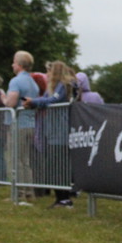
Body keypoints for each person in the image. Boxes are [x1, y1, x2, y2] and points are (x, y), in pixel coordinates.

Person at [24, 60, 77, 207]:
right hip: (52, 131)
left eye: (49, 71)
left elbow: (53, 100)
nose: (47, 74)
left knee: (59, 167)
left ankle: (64, 199)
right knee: (54, 167)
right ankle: (60, 198)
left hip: (60, 131)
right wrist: (33, 102)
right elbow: (45, 98)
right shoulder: (55, 87)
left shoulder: (64, 86)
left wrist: (34, 102)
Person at [3, 51, 40, 203]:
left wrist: (3, 99)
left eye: (14, 62)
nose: (12, 65)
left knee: (16, 159)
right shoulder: (33, 83)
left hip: (18, 124)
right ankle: (29, 192)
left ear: (19, 64)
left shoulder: (16, 81)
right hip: (31, 124)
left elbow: (11, 103)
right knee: (25, 161)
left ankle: (19, 194)